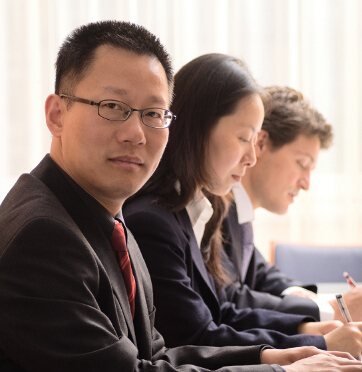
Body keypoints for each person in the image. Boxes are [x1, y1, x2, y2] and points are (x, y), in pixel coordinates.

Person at [2, 20, 359, 372]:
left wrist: (268, 356)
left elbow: (154, 354)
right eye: (112, 106)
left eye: (154, 114)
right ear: (56, 114)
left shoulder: (107, 219)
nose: (135, 133)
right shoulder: (43, 235)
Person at [123, 53, 362, 359]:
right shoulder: (153, 221)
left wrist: (316, 327)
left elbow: (221, 306)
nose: (251, 158)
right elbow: (197, 334)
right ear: (200, 128)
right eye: (243, 138)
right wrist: (318, 339)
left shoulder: (201, 210)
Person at [222, 86, 362, 323]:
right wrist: (329, 310)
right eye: (301, 163)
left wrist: (316, 304)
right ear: (261, 144)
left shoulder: (239, 213)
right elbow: (228, 299)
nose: (306, 184)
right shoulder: (215, 211)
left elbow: (260, 273)